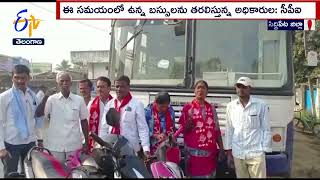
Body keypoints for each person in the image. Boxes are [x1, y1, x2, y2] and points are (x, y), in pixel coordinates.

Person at [35, 72, 89, 163]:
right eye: (62, 81)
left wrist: (86, 142)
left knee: (74, 172)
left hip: (74, 146)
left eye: (67, 81)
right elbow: (39, 113)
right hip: (54, 146)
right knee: (56, 173)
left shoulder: (79, 100)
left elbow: (84, 121)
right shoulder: (51, 99)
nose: (65, 83)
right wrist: (46, 96)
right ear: (57, 83)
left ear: (71, 83)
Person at [0, 64, 43, 177]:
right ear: (12, 78)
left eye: (23, 78)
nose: (19, 81)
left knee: (30, 173)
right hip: (11, 144)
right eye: (16, 77)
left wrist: (39, 140)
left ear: (28, 78)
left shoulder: (33, 96)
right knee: (11, 174)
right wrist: (1, 148)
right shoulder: (4, 97)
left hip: (30, 142)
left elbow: (36, 119)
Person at [225, 77, 271, 178]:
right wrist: (228, 151)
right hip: (238, 153)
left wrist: (264, 150)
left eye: (244, 87)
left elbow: (266, 129)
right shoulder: (231, 106)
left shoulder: (261, 105)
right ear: (235, 88)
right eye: (239, 86)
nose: (241, 89)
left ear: (250, 88)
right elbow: (229, 129)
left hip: (256, 153)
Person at [178, 80, 224, 178]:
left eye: (203, 88)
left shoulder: (211, 108)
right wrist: (188, 125)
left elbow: (217, 130)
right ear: (194, 91)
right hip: (193, 155)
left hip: (209, 155)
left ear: (207, 92)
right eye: (198, 87)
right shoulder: (188, 107)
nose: (200, 90)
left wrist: (221, 149)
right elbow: (183, 130)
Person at [99, 75, 150, 158]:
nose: (119, 89)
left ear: (128, 87)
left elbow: (143, 128)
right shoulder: (110, 104)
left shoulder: (137, 104)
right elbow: (104, 127)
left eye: (122, 86)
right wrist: (101, 144)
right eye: (117, 86)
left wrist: (146, 148)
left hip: (131, 149)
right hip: (112, 148)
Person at [87, 76, 113, 153]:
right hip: (95, 141)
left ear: (109, 88)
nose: (99, 89)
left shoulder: (114, 104)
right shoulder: (91, 104)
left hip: (110, 141)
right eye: (98, 87)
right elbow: (85, 121)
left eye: (102, 87)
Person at [144, 91, 175, 155]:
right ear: (155, 103)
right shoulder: (148, 112)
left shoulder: (170, 111)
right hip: (152, 147)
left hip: (167, 146)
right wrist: (156, 135)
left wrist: (169, 137)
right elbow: (143, 130)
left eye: (166, 106)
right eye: (161, 107)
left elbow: (173, 128)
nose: (164, 109)